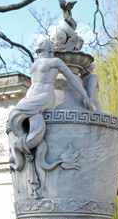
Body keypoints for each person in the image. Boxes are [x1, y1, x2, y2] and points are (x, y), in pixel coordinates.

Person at [7, 39, 93, 171]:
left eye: (42, 46)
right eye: (38, 47)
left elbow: (71, 78)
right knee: (14, 116)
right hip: (31, 95)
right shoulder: (37, 63)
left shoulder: (55, 62)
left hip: (44, 96)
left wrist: (84, 95)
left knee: (26, 120)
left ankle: (23, 148)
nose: (39, 48)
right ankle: (27, 149)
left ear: (49, 49)